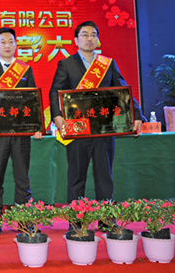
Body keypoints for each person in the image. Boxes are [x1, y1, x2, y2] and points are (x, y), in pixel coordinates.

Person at [49, 20, 143, 203]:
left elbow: (123, 91)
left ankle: (106, 215)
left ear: (98, 40)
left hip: (104, 128)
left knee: (104, 175)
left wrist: (136, 114)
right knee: (76, 175)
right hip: (77, 127)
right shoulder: (66, 64)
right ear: (76, 40)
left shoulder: (107, 64)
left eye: (93, 35)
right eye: (85, 35)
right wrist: (57, 117)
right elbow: (55, 91)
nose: (89, 39)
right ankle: (76, 217)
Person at [0, 27, 43, 235]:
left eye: (11, 41)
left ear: (16, 44)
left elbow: (33, 100)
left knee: (23, 179)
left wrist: (36, 127)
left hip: (21, 133)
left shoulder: (25, 70)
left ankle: (23, 221)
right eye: (3, 42)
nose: (7, 45)